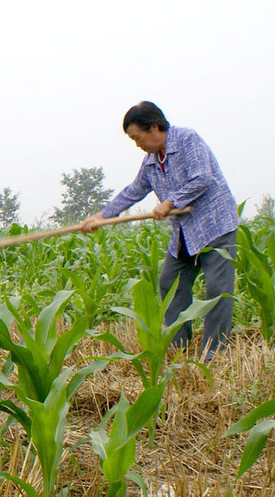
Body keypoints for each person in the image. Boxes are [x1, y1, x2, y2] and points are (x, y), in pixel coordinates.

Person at [80, 101, 238, 361]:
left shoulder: (187, 140)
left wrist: (171, 201)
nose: (137, 144)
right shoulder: (151, 162)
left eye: (137, 137)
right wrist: (102, 216)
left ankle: (214, 354)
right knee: (170, 282)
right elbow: (134, 190)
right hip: (184, 232)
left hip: (214, 225)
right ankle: (178, 348)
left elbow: (202, 177)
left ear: (154, 127)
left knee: (217, 290)